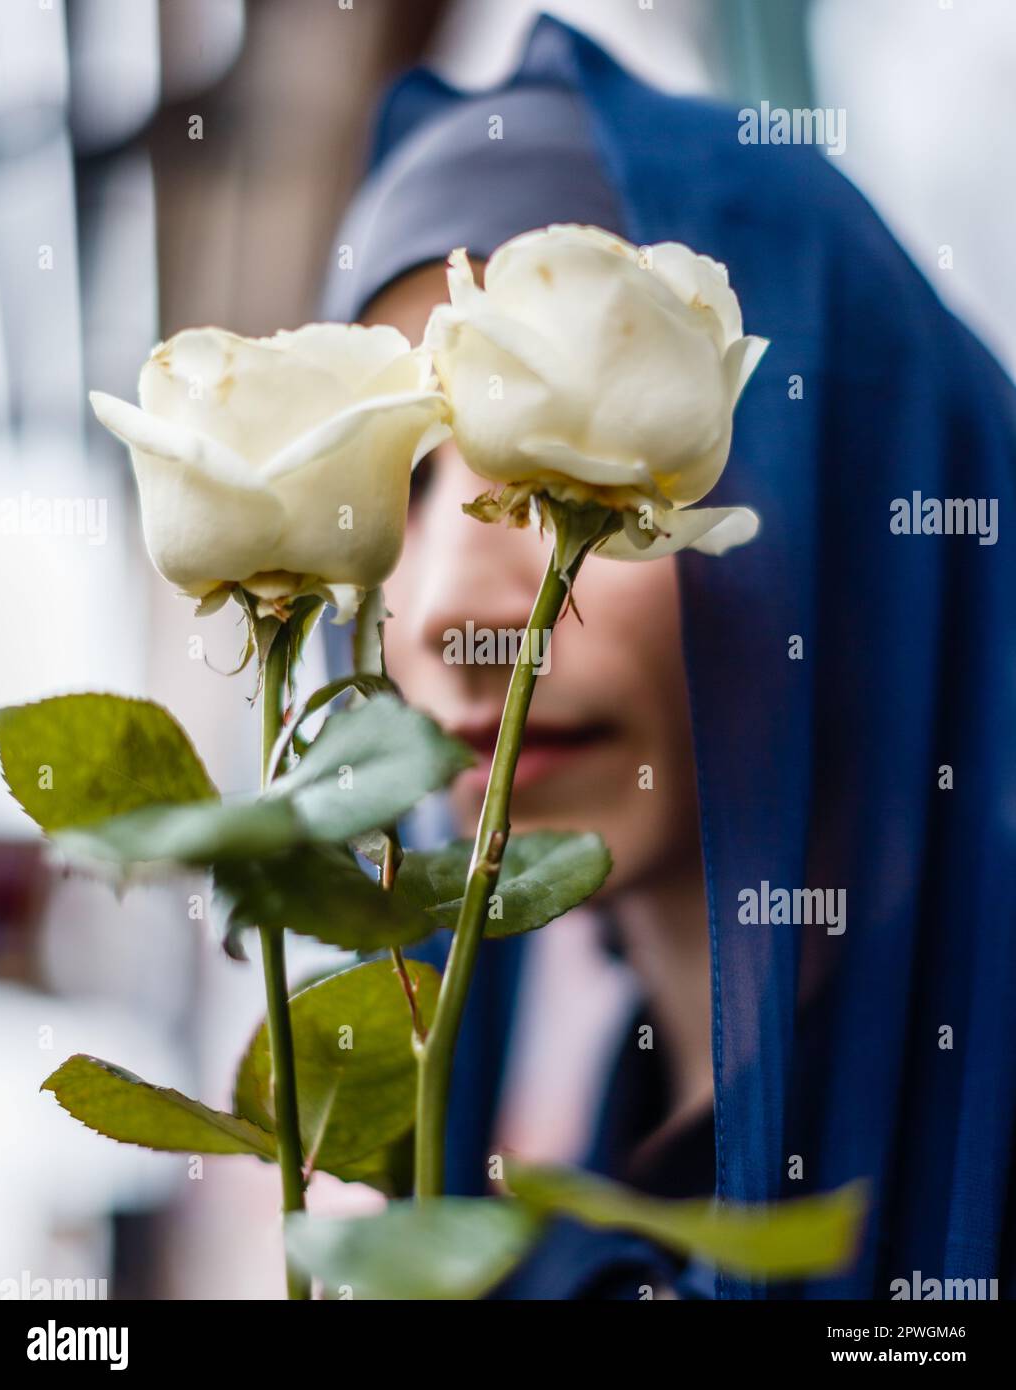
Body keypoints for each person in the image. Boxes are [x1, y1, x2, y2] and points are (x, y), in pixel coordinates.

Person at [322, 15, 1016, 1299]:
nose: (444, 612)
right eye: (389, 490)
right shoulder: (570, 1203)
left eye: (574, 481)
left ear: (847, 498)